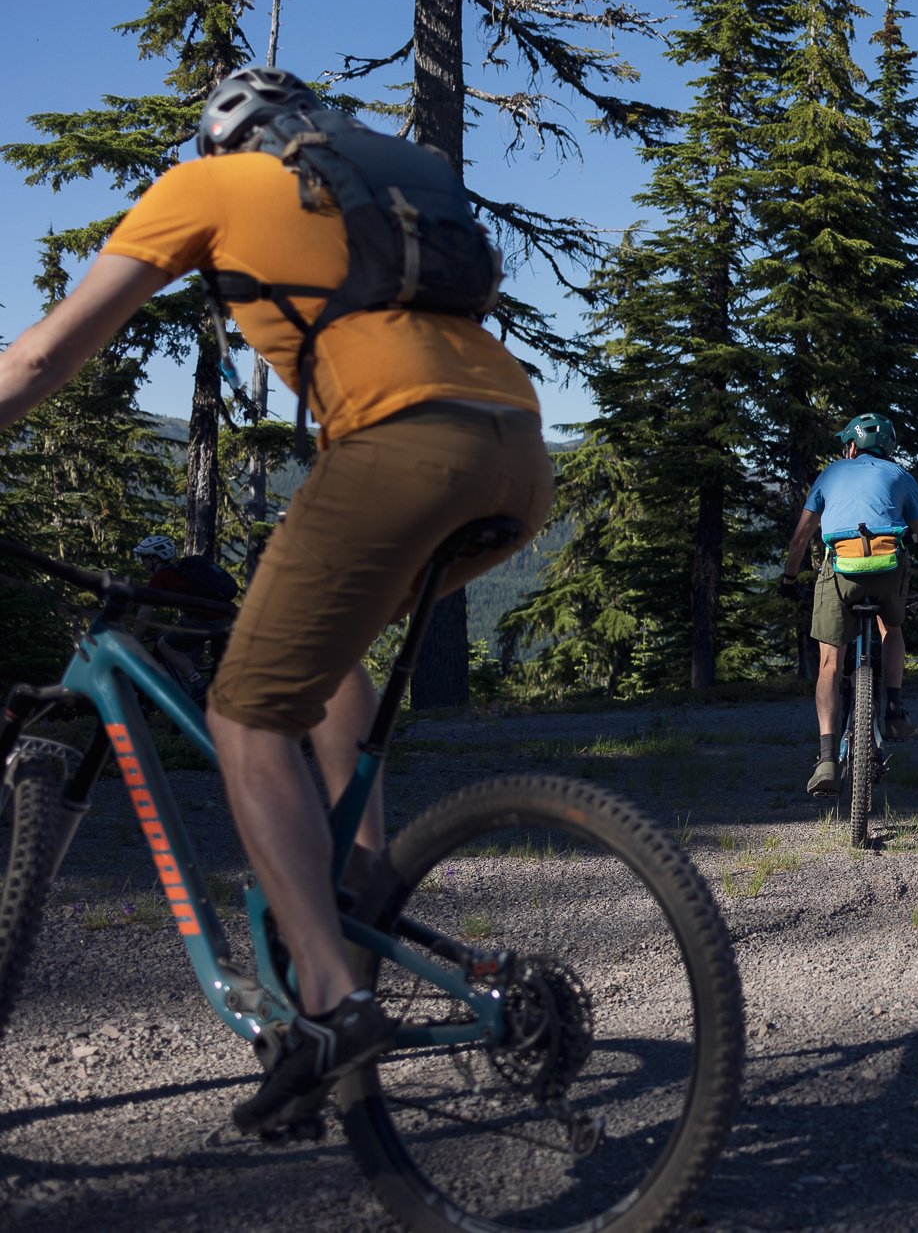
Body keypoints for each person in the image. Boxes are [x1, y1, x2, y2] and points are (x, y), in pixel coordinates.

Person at [0, 67, 552, 1136]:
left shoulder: (206, 186)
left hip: (395, 453)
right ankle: (355, 890)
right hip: (517, 452)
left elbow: (40, 356)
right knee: (322, 661)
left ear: (224, 140)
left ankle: (332, 1008)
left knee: (245, 715)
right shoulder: (378, 193)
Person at [779, 413, 918, 796]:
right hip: (888, 571)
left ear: (852, 446)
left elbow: (800, 539)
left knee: (830, 661)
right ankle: (894, 708)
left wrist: (789, 580)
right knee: (892, 628)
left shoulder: (831, 474)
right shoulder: (901, 476)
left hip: (841, 572)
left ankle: (826, 758)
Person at [131, 533, 237, 700]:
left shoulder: (162, 577)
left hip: (208, 621)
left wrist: (133, 640)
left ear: (155, 558)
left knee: (165, 645)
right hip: (230, 616)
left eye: (143, 557)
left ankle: (199, 685)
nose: (141, 561)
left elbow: (145, 612)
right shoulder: (180, 571)